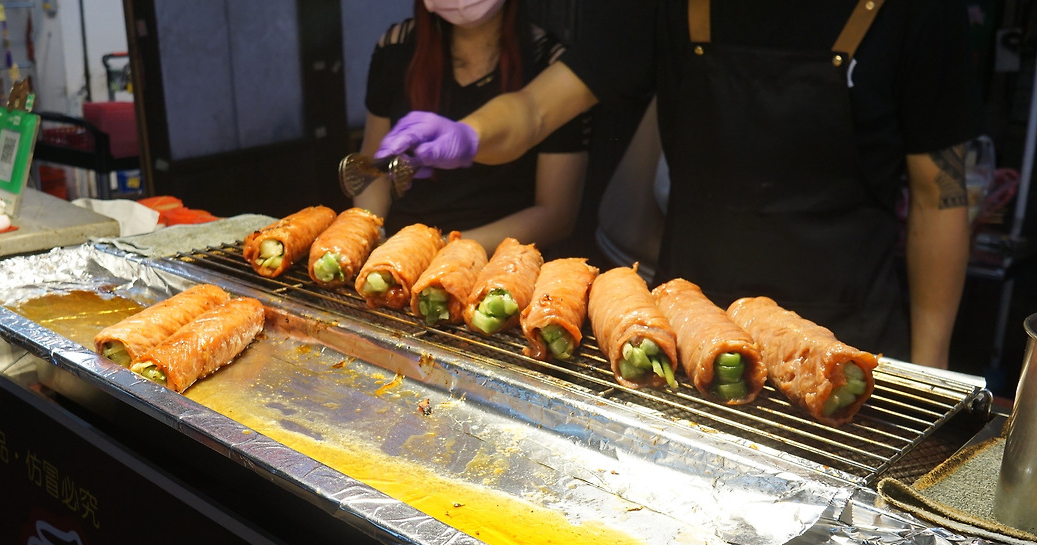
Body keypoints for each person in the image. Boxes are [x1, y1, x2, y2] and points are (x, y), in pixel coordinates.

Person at [376, 0, 977, 368]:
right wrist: (469, 134)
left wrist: (934, 374)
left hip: (850, 336)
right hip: (687, 330)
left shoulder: (918, 11)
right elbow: (536, 109)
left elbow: (940, 197)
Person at [355, 0, 591, 253]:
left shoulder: (550, 64)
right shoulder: (398, 46)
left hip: (497, 254)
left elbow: (556, 215)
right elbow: (373, 166)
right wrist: (370, 234)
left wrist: (438, 250)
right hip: (398, 243)